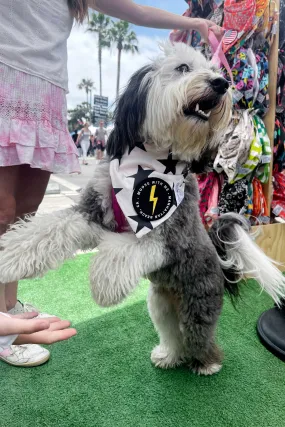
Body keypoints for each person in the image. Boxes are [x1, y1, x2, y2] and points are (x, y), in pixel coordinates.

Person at [0, 0, 223, 367]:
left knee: (197, 342)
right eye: (182, 69)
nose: (216, 83)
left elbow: (163, 243)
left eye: (214, 77)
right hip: (12, 78)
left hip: (193, 272)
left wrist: (198, 23)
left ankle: (201, 355)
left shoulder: (183, 184)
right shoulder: (114, 168)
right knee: (19, 217)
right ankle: (8, 304)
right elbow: (85, 216)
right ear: (144, 94)